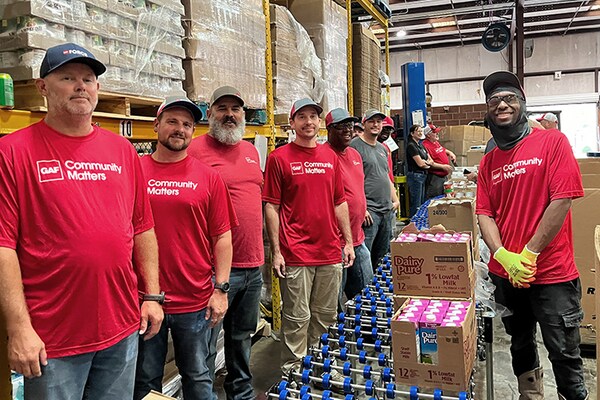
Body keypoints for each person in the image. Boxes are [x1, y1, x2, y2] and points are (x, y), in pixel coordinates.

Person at [0, 43, 163, 400]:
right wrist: (19, 328)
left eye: (88, 79)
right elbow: (3, 246)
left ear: (98, 89)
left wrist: (152, 295)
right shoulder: (13, 151)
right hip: (52, 337)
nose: (80, 86)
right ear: (43, 86)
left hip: (120, 328)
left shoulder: (122, 151)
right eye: (68, 77)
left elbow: (142, 227)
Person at [476, 70, 588, 400]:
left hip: (551, 273)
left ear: (523, 103)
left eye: (509, 98)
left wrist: (529, 253)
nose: (501, 105)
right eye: (494, 100)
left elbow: (562, 198)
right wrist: (502, 256)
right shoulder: (489, 161)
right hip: (507, 275)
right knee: (520, 342)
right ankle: (531, 395)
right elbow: (484, 213)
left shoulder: (553, 142)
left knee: (563, 351)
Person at [134, 96, 237, 400]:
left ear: (194, 131)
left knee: (197, 376)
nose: (180, 129)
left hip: (195, 300)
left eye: (187, 124)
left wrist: (221, 289)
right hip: (144, 299)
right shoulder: (134, 171)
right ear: (156, 125)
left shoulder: (208, 178)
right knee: (146, 379)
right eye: (172, 121)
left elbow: (222, 237)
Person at [263, 98, 355, 375]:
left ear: (320, 123)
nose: (309, 122)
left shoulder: (330, 157)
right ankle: (293, 371)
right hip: (296, 253)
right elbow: (272, 206)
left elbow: (340, 201)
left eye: (314, 116)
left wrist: (348, 241)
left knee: (326, 316)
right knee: (296, 317)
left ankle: (320, 365)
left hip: (329, 251)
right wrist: (276, 251)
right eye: (301, 117)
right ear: (292, 124)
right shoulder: (279, 158)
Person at [188, 86, 264, 400]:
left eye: (236, 109)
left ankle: (240, 394)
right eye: (222, 108)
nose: (229, 114)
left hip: (252, 264)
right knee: (206, 344)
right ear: (210, 113)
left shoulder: (250, 151)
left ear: (244, 115)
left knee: (242, 337)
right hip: (216, 270)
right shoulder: (193, 151)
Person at [324, 108, 373, 304]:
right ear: (329, 129)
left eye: (350, 125)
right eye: (341, 126)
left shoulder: (354, 155)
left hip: (358, 239)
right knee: (334, 302)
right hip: (336, 244)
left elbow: (357, 188)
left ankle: (368, 334)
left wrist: (364, 208)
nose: (347, 130)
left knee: (366, 296)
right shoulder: (322, 156)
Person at [350, 109, 400, 271]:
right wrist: (362, 208)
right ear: (364, 123)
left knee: (382, 257)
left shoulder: (382, 149)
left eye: (378, 122)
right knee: (364, 259)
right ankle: (362, 293)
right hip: (369, 212)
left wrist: (395, 199)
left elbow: (385, 175)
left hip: (386, 211)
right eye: (371, 121)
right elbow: (350, 181)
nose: (375, 125)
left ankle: (377, 292)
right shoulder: (354, 147)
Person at [422, 123, 455, 199]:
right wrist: (443, 167)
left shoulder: (435, 142)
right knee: (435, 199)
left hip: (443, 176)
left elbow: (442, 150)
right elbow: (428, 162)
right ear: (428, 135)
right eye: (434, 132)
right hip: (435, 178)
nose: (437, 134)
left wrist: (450, 153)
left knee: (445, 197)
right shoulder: (425, 145)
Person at [406, 124, 431, 217]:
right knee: (416, 203)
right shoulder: (411, 146)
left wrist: (427, 164)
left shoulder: (421, 145)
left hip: (423, 175)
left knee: (421, 202)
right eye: (418, 131)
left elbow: (430, 160)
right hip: (415, 176)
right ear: (412, 133)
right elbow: (420, 164)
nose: (420, 133)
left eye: (421, 131)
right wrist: (427, 164)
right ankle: (413, 224)